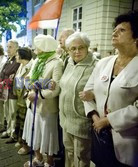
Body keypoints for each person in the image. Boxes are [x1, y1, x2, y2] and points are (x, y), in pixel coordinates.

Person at [83, 10, 138, 167]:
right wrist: (96, 119)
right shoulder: (103, 63)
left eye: (122, 30)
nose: (114, 33)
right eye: (114, 30)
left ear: (136, 38)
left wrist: (109, 120)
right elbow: (88, 92)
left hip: (127, 139)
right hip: (100, 135)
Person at [23, 34, 63, 167]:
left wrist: (38, 93)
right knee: (34, 133)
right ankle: (38, 157)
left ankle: (49, 161)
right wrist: (33, 86)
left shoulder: (57, 62)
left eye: (38, 47)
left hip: (46, 106)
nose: (35, 50)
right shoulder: (37, 61)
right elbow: (27, 78)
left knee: (47, 134)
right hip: (32, 104)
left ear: (44, 47)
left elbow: (55, 88)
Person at [59, 32, 98, 167]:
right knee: (69, 152)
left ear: (87, 47)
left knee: (82, 156)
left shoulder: (96, 66)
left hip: (82, 120)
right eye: (73, 48)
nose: (77, 51)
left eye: (81, 47)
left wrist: (93, 94)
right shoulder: (68, 63)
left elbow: (106, 90)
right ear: (68, 50)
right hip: (65, 118)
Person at [14, 47, 33, 155]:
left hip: (26, 98)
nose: (16, 57)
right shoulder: (21, 66)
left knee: (25, 124)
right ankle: (21, 141)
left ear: (22, 55)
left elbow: (28, 83)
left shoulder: (30, 66)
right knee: (20, 121)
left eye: (17, 55)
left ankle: (26, 146)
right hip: (20, 97)